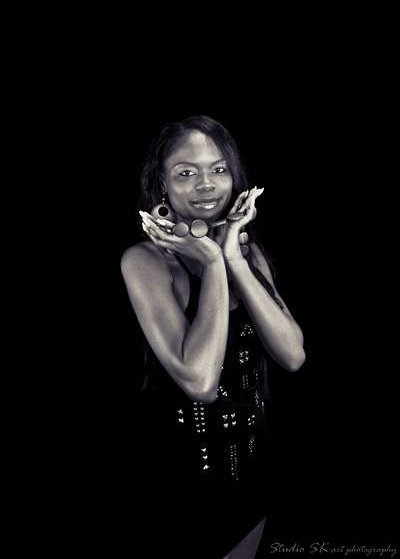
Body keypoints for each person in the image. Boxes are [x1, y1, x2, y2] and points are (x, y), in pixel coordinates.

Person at [121, 115, 305, 558]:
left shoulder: (246, 253)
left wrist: (232, 259)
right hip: (177, 496)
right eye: (186, 172)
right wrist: (211, 263)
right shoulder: (144, 262)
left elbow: (292, 355)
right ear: (162, 186)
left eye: (218, 169)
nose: (206, 184)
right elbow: (200, 381)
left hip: (254, 488)